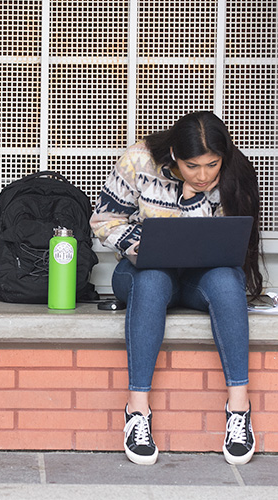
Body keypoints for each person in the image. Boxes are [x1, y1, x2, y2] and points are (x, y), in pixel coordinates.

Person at [90, 111, 263, 466]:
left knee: (228, 281)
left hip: (201, 280)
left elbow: (223, 245)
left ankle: (239, 411)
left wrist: (193, 202)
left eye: (211, 165)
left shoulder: (232, 174)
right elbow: (104, 219)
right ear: (173, 154)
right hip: (144, 272)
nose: (203, 175)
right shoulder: (138, 162)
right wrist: (138, 245)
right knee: (152, 279)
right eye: (192, 166)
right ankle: (137, 412)